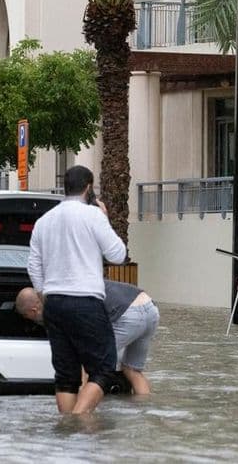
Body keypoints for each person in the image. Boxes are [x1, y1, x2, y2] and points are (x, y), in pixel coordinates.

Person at [27, 165, 127, 414]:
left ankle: (66, 431)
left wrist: (44, 295)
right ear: (89, 188)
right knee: (104, 368)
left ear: (65, 187)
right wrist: (104, 217)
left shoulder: (44, 221)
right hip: (86, 302)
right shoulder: (92, 216)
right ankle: (77, 419)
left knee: (66, 374)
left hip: (54, 303)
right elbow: (117, 254)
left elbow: (33, 266)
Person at [16, 280, 159, 395]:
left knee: (91, 360)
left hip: (129, 315)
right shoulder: (64, 288)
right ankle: (145, 410)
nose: (30, 321)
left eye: (27, 317)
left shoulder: (60, 304)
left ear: (33, 310)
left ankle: (82, 412)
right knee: (132, 369)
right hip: (150, 308)